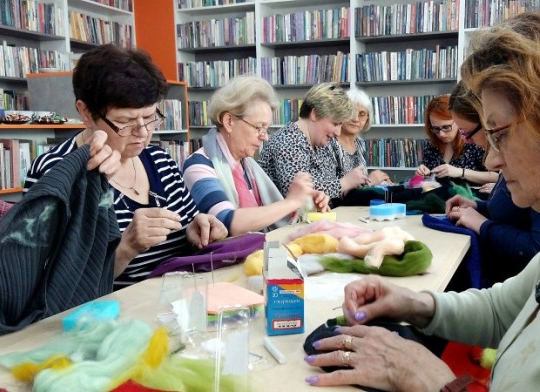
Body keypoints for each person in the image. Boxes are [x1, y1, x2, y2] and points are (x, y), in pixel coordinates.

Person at [303, 1, 540, 390]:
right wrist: (413, 304)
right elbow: (505, 310)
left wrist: (432, 381)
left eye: (500, 133)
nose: (492, 159)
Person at [25, 44, 227, 289]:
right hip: (110, 318)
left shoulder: (158, 159)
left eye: (150, 117)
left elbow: (186, 229)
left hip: (176, 303)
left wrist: (198, 230)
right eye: (125, 121)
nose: (142, 133)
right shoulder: (56, 172)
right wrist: (126, 247)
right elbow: (51, 288)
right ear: (86, 112)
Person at [446, 81, 540, 287]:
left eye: (465, 133)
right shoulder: (510, 161)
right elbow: (514, 214)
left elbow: (539, 249)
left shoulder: (539, 167)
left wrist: (482, 225)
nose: (467, 141)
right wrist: (477, 207)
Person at [181, 75, 329, 235]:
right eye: (259, 127)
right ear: (229, 121)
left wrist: (305, 204)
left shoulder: (249, 166)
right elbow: (227, 221)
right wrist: (292, 201)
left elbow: (265, 216)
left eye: (266, 129)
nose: (264, 137)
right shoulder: (198, 165)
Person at [258, 82, 366, 201]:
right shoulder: (287, 142)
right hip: (288, 219)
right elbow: (299, 194)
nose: (338, 133)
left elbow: (335, 185)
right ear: (315, 114)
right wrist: (344, 183)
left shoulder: (322, 142)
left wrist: (361, 181)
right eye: (335, 123)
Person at [415, 95, 496, 186]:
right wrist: (420, 175)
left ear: (458, 121)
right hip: (438, 197)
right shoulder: (431, 145)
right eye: (436, 129)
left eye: (446, 127)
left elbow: (498, 177)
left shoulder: (474, 141)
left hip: (470, 198)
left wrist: (461, 172)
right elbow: (422, 183)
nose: (441, 134)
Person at [328, 88, 391, 186]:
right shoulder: (329, 143)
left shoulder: (360, 143)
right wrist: (370, 181)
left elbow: (361, 182)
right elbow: (330, 190)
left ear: (367, 118)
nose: (356, 119)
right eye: (351, 112)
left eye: (362, 114)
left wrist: (381, 182)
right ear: (340, 113)